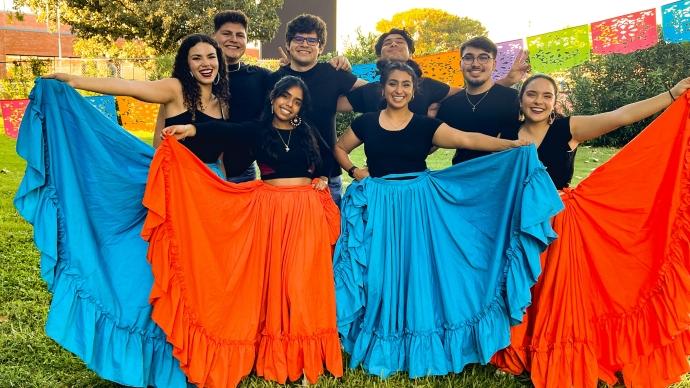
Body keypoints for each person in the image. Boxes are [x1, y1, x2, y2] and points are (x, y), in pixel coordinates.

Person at [331, 61, 564, 378]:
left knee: (418, 272)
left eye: (406, 85)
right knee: (381, 271)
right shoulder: (367, 123)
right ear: (383, 88)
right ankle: (382, 339)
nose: (399, 90)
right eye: (393, 84)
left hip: (418, 204)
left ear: (413, 91)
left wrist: (510, 145)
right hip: (381, 204)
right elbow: (340, 148)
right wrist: (355, 171)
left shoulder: (426, 126)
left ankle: (421, 341)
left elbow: (468, 139)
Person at [492, 74, 690, 388]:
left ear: (554, 102)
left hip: (558, 225)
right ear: (521, 100)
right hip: (517, 223)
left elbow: (619, 116)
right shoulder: (504, 134)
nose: (539, 101)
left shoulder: (568, 128)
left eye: (546, 95)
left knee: (554, 292)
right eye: (532, 94)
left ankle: (556, 352)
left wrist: (670, 95)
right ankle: (518, 351)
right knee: (524, 290)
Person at [155, 75, 343, 387]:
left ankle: (301, 355)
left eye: (297, 101)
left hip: (305, 211)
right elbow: (224, 130)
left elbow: (326, 160)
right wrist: (191, 129)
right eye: (285, 97)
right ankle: (275, 353)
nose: (289, 105)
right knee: (273, 282)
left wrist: (322, 177)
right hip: (270, 212)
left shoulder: (307, 131)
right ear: (273, 98)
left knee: (300, 281)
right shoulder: (258, 130)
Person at [46, 34, 231, 178]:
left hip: (213, 186)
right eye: (197, 58)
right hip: (179, 184)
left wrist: (225, 184)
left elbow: (221, 158)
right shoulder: (175, 89)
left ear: (218, 62)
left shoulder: (223, 103)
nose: (206, 64)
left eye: (211, 57)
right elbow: (130, 86)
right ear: (187, 65)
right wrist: (74, 80)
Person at [267, 13, 367, 204]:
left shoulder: (333, 74)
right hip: (285, 177)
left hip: (328, 175)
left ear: (320, 47)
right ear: (288, 44)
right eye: (298, 38)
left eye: (312, 40)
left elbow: (374, 91)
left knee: (330, 233)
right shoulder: (274, 80)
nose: (305, 44)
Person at [337, 29, 528, 116]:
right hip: (377, 177)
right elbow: (328, 103)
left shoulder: (428, 85)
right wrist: (335, 68)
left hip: (417, 175)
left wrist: (507, 80)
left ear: (411, 53)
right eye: (387, 43)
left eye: (400, 42)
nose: (393, 43)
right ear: (379, 55)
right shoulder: (369, 90)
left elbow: (471, 94)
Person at [436, 36, 523, 163]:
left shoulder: (512, 98)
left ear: (494, 65)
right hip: (462, 177)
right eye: (468, 57)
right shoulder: (450, 104)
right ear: (460, 64)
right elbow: (430, 143)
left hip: (503, 177)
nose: (475, 64)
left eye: (483, 57)